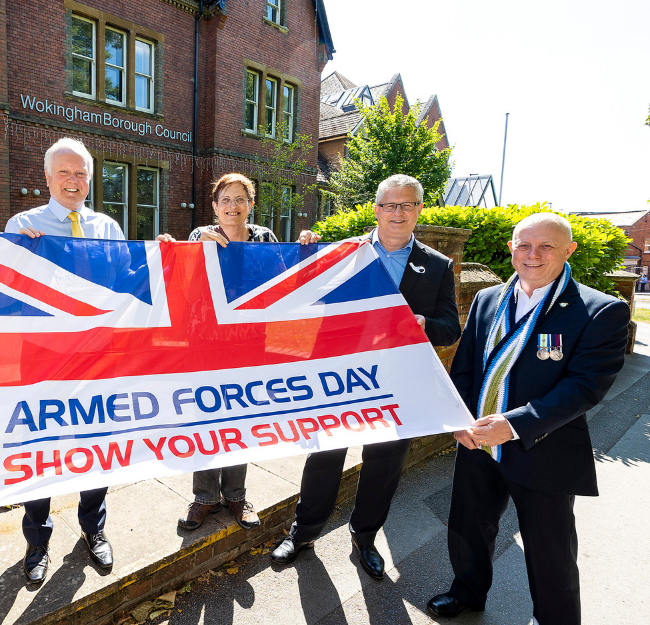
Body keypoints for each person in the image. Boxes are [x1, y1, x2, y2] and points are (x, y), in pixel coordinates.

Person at [426, 213, 629, 624]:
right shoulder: (487, 299)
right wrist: (460, 418)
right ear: (511, 248)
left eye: (545, 246)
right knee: (469, 527)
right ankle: (467, 592)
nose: (532, 255)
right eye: (523, 245)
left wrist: (514, 425)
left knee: (549, 548)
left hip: (543, 447)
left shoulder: (600, 310)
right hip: (477, 441)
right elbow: (465, 368)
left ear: (569, 250)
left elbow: (584, 387)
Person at [270, 174, 461, 581]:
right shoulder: (343, 253)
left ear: (419, 210)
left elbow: (451, 328)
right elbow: (299, 294)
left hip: (398, 383)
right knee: (324, 456)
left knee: (384, 463)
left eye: (407, 205)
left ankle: (365, 536)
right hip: (341, 377)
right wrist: (304, 250)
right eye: (390, 205)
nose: (398, 213)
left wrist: (421, 321)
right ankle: (303, 533)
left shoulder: (438, 266)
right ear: (376, 209)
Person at [157, 172, 318, 531]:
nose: (233, 206)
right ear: (214, 206)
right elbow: (182, 280)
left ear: (251, 204)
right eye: (225, 200)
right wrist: (173, 247)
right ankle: (204, 498)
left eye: (240, 199)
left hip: (248, 343)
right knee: (205, 416)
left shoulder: (264, 238)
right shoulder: (200, 236)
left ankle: (235, 495)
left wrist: (306, 247)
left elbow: (286, 279)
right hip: (205, 342)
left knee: (240, 415)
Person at [5, 137, 122, 584]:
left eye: (80, 174)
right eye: (64, 173)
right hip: (43, 358)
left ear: (89, 179)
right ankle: (37, 540)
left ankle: (94, 529)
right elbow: (4, 290)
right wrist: (17, 253)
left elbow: (124, 284)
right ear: (48, 177)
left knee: (99, 443)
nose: (73, 181)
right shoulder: (24, 224)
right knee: (42, 447)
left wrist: (164, 253)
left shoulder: (109, 228)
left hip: (96, 358)